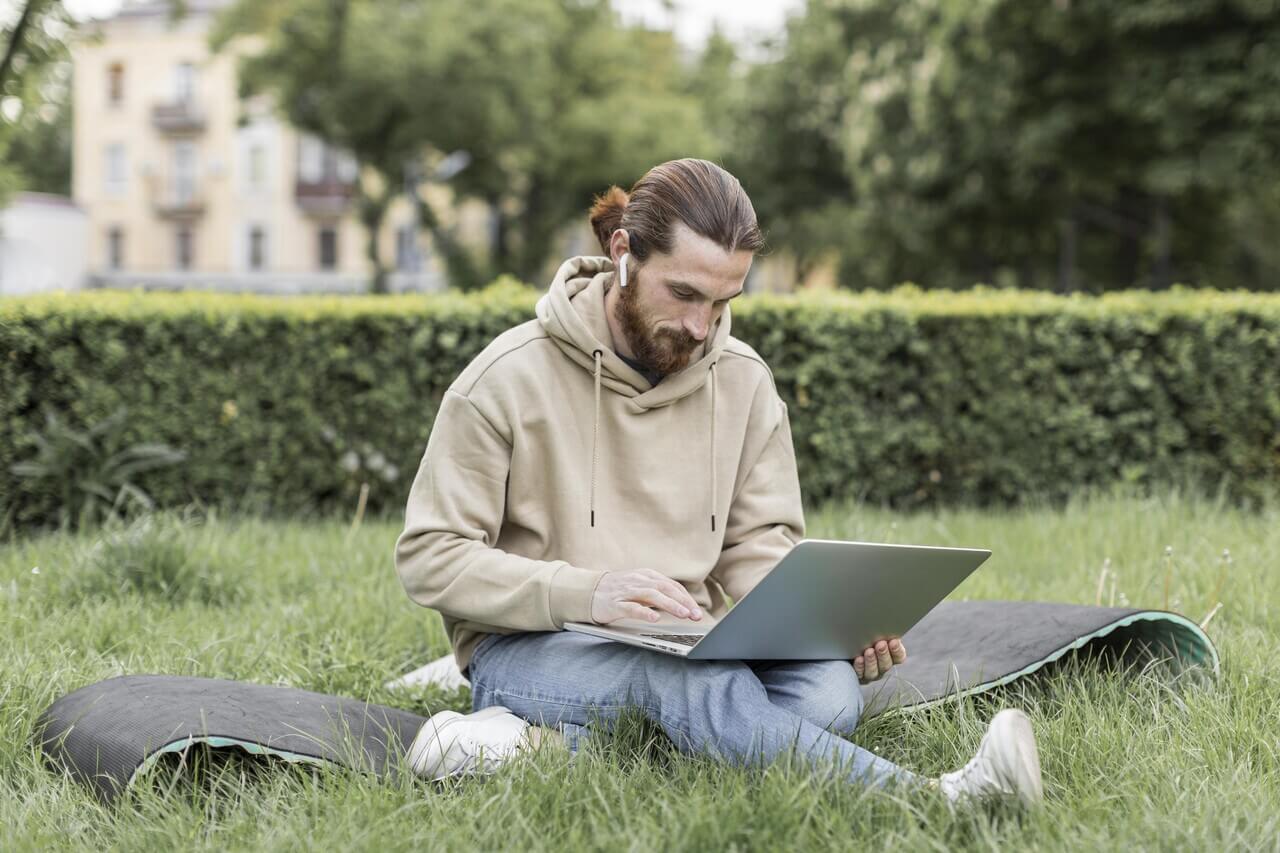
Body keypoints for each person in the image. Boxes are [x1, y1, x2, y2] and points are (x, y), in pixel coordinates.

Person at [394, 159, 1042, 807]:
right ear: (624, 253)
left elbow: (758, 545)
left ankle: (525, 746)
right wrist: (587, 592)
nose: (702, 327)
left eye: (722, 301)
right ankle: (939, 800)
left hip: (690, 641)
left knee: (827, 692)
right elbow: (430, 556)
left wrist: (828, 625)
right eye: (683, 293)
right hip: (531, 644)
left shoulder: (743, 381)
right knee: (679, 686)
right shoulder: (505, 378)